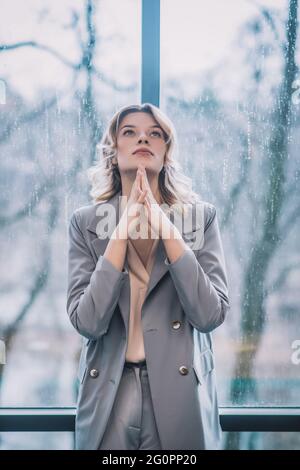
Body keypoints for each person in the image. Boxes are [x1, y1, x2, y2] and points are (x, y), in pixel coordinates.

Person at [66, 102, 230, 450]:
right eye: (130, 132)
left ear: (166, 151)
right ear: (112, 151)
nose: (143, 138)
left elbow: (209, 315)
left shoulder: (200, 219)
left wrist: (164, 225)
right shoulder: (85, 223)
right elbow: (88, 322)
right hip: (109, 390)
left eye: (155, 134)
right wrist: (122, 230)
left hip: (178, 389)